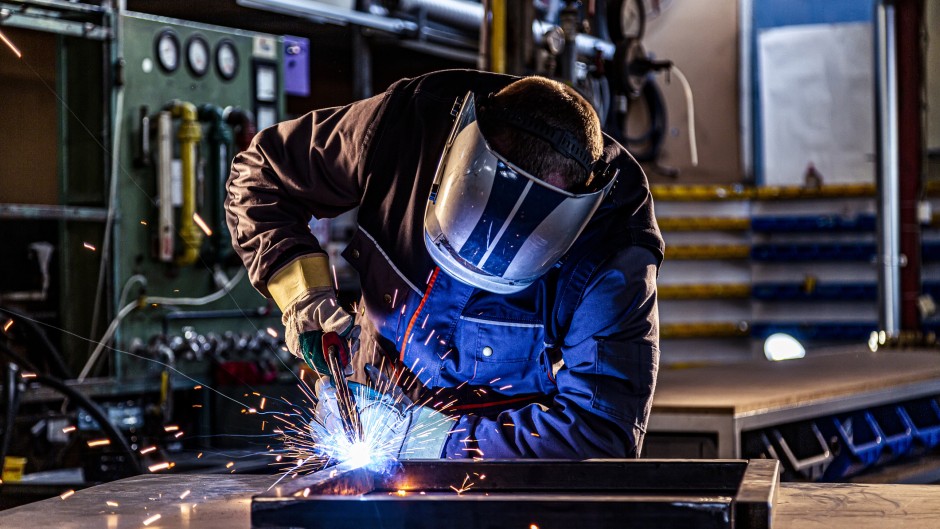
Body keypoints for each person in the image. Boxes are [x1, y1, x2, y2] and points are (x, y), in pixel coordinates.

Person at [225, 69, 663, 460]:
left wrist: (435, 440)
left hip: (500, 485)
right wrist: (304, 294)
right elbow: (261, 177)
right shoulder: (405, 130)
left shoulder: (613, 244)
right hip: (366, 419)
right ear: (456, 153)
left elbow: (602, 432)